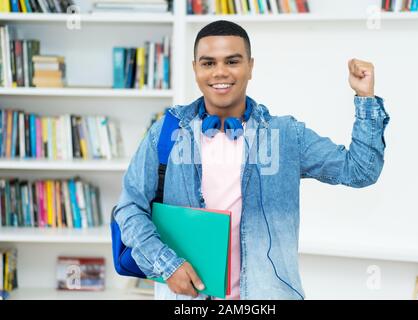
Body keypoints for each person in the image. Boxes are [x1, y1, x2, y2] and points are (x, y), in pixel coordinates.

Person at [113, 20, 390, 300]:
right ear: (195, 68)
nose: (220, 72)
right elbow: (129, 208)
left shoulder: (286, 135)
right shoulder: (167, 131)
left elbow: (360, 171)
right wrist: (167, 265)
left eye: (232, 61)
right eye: (208, 63)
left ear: (250, 66)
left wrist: (364, 97)